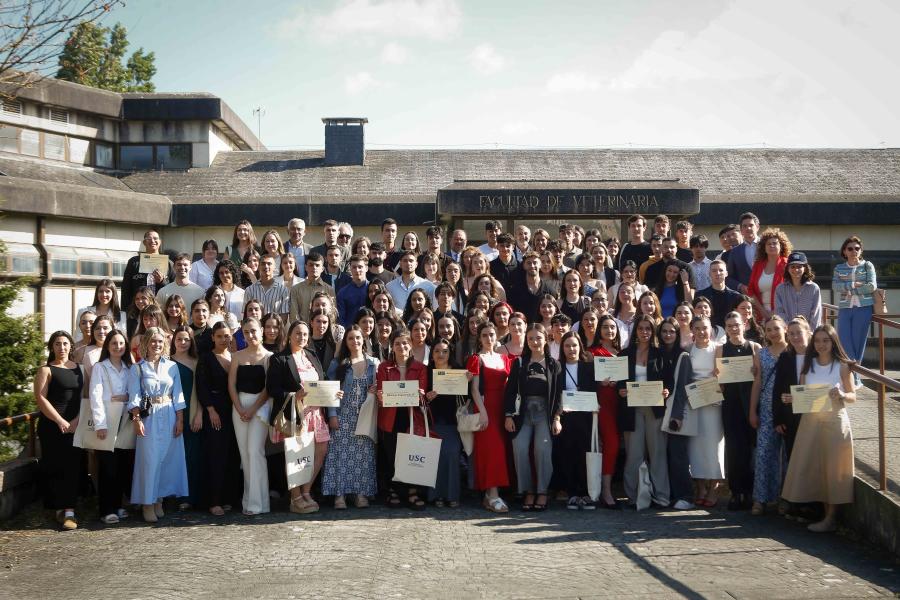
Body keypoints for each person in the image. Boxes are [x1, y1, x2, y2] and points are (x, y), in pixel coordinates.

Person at [781, 324, 857, 532]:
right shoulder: (809, 365)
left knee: (833, 471)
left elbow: (853, 396)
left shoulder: (841, 366)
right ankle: (823, 514)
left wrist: (842, 395)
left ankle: (831, 518)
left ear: (833, 342)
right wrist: (791, 398)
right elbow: (804, 397)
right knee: (816, 469)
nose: (821, 344)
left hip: (835, 422)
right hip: (810, 423)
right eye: (818, 341)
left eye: (826, 340)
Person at [127, 327, 187, 523]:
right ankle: (147, 502)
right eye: (153, 341)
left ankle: (159, 499)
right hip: (149, 416)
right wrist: (136, 420)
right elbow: (134, 396)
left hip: (169, 412)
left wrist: (180, 419)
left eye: (160, 341)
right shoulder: (138, 368)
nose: (157, 345)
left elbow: (178, 394)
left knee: (167, 459)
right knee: (149, 460)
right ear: (146, 343)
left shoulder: (172, 366)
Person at [504, 323, 560, 511]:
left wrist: (557, 418)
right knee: (519, 447)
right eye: (531, 338)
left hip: (545, 412)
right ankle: (527, 490)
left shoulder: (554, 364)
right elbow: (510, 392)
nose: (535, 342)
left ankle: (542, 491)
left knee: (542, 449)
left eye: (538, 338)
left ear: (546, 339)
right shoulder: (519, 363)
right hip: (523, 412)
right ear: (526, 341)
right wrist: (508, 415)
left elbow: (559, 394)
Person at [322, 326, 378, 509]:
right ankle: (340, 495)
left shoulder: (373, 364)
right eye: (351, 338)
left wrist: (375, 390)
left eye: (358, 338)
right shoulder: (338, 364)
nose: (355, 341)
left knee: (363, 457)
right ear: (345, 342)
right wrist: (332, 415)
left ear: (364, 340)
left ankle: (361, 494)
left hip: (364, 417)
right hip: (343, 416)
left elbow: (383, 387)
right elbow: (330, 391)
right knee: (339, 456)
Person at [617, 314, 669, 508]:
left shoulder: (660, 353)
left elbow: (668, 379)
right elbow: (618, 381)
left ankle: (661, 496)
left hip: (654, 408)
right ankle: (634, 496)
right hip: (632, 409)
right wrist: (620, 390)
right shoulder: (624, 354)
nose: (644, 332)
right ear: (635, 331)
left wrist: (667, 390)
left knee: (658, 453)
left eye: (648, 328)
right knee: (634, 454)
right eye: (641, 328)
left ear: (652, 331)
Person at [34, 331, 83, 530]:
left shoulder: (79, 369)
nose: (61, 347)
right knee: (54, 466)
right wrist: (60, 420)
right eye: (57, 344)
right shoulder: (46, 370)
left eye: (65, 343)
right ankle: (57, 510)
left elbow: (85, 397)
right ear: (52, 347)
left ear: (71, 346)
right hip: (52, 425)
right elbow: (40, 398)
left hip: (75, 424)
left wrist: (77, 420)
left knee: (73, 466)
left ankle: (70, 511)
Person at [376, 329, 429, 510]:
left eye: (405, 343)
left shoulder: (421, 368)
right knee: (393, 456)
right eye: (397, 343)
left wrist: (420, 394)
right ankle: (394, 490)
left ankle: (412, 491)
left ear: (411, 346)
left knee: (411, 454)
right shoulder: (384, 367)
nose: (401, 346)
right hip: (390, 417)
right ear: (392, 346)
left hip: (411, 417)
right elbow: (381, 391)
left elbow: (422, 391)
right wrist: (380, 395)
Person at [88, 329, 134, 524]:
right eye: (114, 343)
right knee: (108, 468)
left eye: (121, 343)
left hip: (126, 422)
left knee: (123, 466)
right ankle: (106, 509)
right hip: (107, 422)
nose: (118, 347)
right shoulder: (101, 367)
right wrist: (100, 424)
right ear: (107, 346)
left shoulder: (129, 367)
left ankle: (119, 505)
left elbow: (134, 392)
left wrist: (125, 397)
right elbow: (95, 396)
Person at [716, 311, 761, 510]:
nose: (734, 329)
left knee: (750, 449)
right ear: (725, 328)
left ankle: (749, 492)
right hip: (730, 405)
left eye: (737, 325)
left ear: (744, 324)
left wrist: (755, 372)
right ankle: (736, 492)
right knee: (733, 449)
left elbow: (761, 379)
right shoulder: (721, 349)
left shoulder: (754, 348)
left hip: (750, 403)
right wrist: (718, 377)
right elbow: (718, 385)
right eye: (730, 326)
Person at [228, 318, 272, 515]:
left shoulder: (269, 357)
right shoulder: (236, 356)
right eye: (246, 332)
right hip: (239, 407)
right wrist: (239, 408)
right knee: (245, 455)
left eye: (254, 331)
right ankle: (253, 502)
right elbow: (231, 384)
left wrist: (253, 408)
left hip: (260, 407)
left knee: (255, 452)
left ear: (261, 331)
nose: (251, 335)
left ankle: (256, 504)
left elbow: (268, 388)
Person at [468, 322, 511, 512]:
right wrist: (483, 411)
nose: (489, 338)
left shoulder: (505, 358)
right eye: (484, 335)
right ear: (480, 338)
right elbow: (474, 389)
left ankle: (489, 495)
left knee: (503, 450)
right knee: (493, 450)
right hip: (486, 408)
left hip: (504, 409)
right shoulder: (476, 359)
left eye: (491, 334)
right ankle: (493, 495)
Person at [748, 315, 789, 515]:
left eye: (776, 328)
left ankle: (785, 499)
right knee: (764, 454)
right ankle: (760, 499)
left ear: (785, 329)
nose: (773, 333)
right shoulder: (761, 354)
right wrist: (752, 411)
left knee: (787, 457)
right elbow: (757, 383)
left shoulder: (793, 352)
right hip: (766, 408)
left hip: (788, 409)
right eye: (769, 329)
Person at [196, 322, 237, 516]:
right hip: (215, 412)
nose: (223, 339)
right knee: (216, 455)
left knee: (232, 455)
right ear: (213, 337)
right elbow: (201, 386)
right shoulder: (206, 358)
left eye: (226, 336)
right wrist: (210, 410)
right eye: (219, 336)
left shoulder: (236, 357)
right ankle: (214, 501)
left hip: (234, 410)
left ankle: (229, 497)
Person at [554, 331, 599, 510]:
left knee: (584, 453)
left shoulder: (588, 367)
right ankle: (572, 493)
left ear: (580, 347)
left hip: (586, 415)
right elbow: (556, 393)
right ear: (562, 348)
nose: (571, 349)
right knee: (568, 453)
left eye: (574, 345)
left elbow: (595, 390)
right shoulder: (557, 368)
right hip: (566, 415)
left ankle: (586, 493)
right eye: (567, 345)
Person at [656, 318, 695, 510]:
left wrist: (677, 415)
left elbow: (682, 388)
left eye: (672, 331)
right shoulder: (658, 354)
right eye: (664, 331)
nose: (668, 335)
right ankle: (668, 494)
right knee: (663, 455)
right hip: (657, 409)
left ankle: (684, 496)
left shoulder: (683, 356)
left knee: (678, 454)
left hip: (674, 411)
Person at [687, 316, 725, 507]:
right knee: (696, 446)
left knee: (713, 446)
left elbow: (723, 376)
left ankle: (713, 488)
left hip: (713, 403)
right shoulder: (687, 350)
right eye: (698, 328)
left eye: (705, 328)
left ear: (711, 329)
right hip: (694, 402)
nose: (702, 332)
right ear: (692, 330)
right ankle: (700, 486)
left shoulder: (718, 348)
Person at [423, 337, 463, 507]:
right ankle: (437, 495)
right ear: (432, 354)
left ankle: (451, 494)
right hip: (432, 422)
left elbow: (466, 397)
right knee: (435, 457)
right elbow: (419, 396)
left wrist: (467, 380)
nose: (441, 354)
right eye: (437, 351)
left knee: (452, 454)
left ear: (450, 353)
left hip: (453, 423)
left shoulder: (459, 371)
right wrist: (426, 397)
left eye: (445, 351)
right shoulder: (426, 372)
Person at [170, 325, 203, 510]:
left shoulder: (196, 362)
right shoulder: (166, 362)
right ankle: (170, 495)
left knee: (191, 455)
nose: (183, 343)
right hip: (170, 413)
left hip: (192, 412)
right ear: (173, 340)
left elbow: (201, 391)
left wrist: (199, 414)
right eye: (179, 339)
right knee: (172, 455)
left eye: (187, 339)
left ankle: (189, 497)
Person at [833, 236, 877, 371]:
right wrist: (852, 284)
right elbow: (835, 286)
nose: (854, 251)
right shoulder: (839, 268)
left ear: (861, 250)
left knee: (858, 342)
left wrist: (849, 290)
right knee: (844, 340)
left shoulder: (867, 265)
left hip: (864, 309)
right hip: (845, 309)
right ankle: (851, 373)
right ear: (844, 252)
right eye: (850, 249)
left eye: (857, 248)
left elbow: (871, 287)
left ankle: (855, 375)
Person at [773, 316, 812, 463]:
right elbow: (778, 389)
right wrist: (778, 419)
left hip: (814, 415)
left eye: (799, 332)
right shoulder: (785, 357)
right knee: (793, 458)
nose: (795, 337)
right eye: (791, 333)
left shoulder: (817, 356)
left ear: (808, 332)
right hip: (791, 416)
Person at [121, 229, 175, 312]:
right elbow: (126, 288)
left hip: (160, 310)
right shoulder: (134, 262)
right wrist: (125, 311)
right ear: (144, 242)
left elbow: (173, 288)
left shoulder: (168, 263)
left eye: (155, 238)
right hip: (137, 309)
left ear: (160, 242)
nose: (153, 241)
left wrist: (162, 282)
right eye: (149, 239)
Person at [747, 228, 791, 321]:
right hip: (760, 313)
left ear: (781, 246)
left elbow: (790, 290)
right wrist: (762, 311)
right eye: (768, 244)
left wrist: (774, 312)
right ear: (764, 247)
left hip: (782, 313)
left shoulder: (788, 264)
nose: (771, 246)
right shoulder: (758, 265)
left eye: (775, 243)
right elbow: (750, 290)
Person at [775, 251, 822, 328]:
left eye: (799, 267)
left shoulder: (814, 288)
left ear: (805, 268)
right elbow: (780, 312)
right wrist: (790, 330)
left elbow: (816, 314)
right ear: (787, 268)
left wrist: (809, 333)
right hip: (788, 333)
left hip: (809, 334)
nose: (796, 270)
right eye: (792, 267)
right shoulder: (780, 289)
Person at [508, 252, 556, 322]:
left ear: (540, 265)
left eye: (535, 262)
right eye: (529, 263)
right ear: (524, 266)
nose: (532, 266)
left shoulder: (550, 291)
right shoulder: (514, 290)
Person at [289, 252, 335, 324]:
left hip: (322, 331)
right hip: (302, 332)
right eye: (311, 265)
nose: (314, 268)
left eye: (317, 265)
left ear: (322, 269)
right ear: (305, 267)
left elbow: (332, 314)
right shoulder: (296, 289)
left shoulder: (329, 290)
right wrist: (301, 330)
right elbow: (294, 316)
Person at [695, 260, 742, 328]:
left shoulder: (736, 296)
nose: (718, 273)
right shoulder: (700, 295)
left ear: (726, 273)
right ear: (709, 273)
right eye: (714, 271)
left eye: (721, 270)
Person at [244, 254, 290, 322]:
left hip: (274, 330)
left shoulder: (283, 290)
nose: (266, 266)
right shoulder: (250, 290)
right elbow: (246, 314)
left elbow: (284, 316)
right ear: (259, 267)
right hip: (256, 330)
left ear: (274, 267)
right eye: (263, 264)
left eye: (269, 264)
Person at [726, 212, 761, 294]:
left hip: (768, 295)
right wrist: (740, 286)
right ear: (741, 230)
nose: (748, 228)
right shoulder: (735, 252)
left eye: (751, 225)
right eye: (745, 226)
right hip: (747, 298)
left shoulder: (767, 246)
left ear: (757, 227)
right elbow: (728, 277)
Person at [337, 254, 369, 327]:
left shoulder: (373, 290)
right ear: (350, 269)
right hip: (350, 334)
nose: (357, 270)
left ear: (366, 268)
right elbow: (341, 319)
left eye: (360, 267)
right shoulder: (343, 293)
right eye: (354, 267)